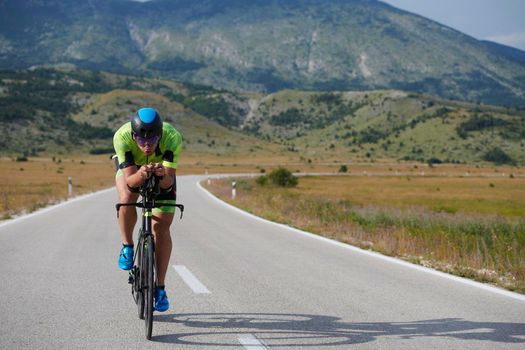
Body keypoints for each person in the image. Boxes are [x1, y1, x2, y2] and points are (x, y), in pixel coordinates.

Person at [113, 107, 182, 312]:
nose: (146, 146)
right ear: (133, 136)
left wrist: (160, 175)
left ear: (160, 135)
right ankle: (127, 245)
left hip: (162, 172)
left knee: (161, 228)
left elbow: (168, 184)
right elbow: (131, 183)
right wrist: (142, 173)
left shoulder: (172, 138)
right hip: (133, 170)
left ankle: (160, 288)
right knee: (127, 197)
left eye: (152, 141)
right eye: (141, 141)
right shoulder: (122, 137)